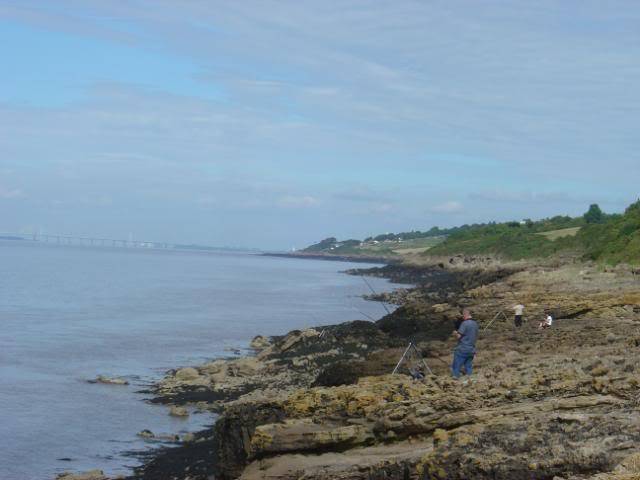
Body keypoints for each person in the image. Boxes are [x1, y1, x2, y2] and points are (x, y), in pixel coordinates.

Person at [451, 308, 479, 379]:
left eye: (463, 315)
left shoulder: (465, 323)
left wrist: (455, 333)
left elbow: (458, 336)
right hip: (471, 349)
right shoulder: (475, 324)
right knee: (468, 367)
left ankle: (455, 380)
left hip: (462, 348)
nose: (462, 317)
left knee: (456, 366)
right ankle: (469, 381)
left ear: (465, 314)